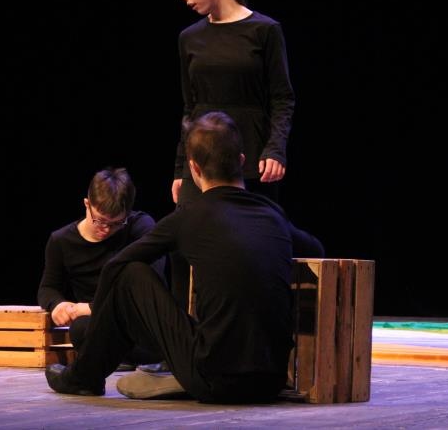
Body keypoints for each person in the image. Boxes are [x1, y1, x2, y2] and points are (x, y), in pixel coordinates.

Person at [45, 111, 324, 403]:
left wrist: (96, 319)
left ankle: (83, 377)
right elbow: (316, 250)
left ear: (194, 168)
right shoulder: (272, 214)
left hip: (214, 378)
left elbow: (116, 266)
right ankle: (93, 371)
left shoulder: (189, 217)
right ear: (242, 161)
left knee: (129, 274)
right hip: (271, 380)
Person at [167, 0, 297, 311]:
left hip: (251, 156)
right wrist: (180, 167)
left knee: (254, 244)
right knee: (182, 244)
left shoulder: (264, 30)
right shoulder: (189, 37)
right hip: (200, 160)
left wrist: (275, 149)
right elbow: (190, 107)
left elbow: (282, 98)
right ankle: (183, 332)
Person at [37, 167, 164, 368]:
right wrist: (57, 305)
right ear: (87, 204)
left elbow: (152, 286)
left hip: (137, 322)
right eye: (100, 220)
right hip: (100, 327)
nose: (105, 229)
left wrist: (91, 307)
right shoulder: (61, 241)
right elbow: (48, 287)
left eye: (116, 223)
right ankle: (119, 358)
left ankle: (115, 358)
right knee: (81, 329)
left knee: (159, 335)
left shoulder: (140, 227)